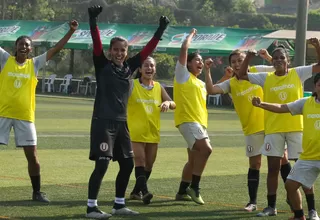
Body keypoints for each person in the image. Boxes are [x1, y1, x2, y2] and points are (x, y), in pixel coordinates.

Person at [86, 5, 170, 219]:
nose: (119, 53)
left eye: (123, 50)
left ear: (126, 52)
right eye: (116, 49)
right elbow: (96, 43)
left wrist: (160, 30)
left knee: (127, 164)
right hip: (103, 122)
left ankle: (119, 204)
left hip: (122, 124)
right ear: (110, 51)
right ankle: (91, 207)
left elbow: (148, 50)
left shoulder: (129, 67)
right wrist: (93, 21)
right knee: (102, 164)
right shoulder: (102, 64)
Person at [238, 38, 320, 219]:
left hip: (295, 129)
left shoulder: (297, 73)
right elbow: (241, 75)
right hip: (273, 129)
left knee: (304, 169)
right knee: (273, 168)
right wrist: (248, 59)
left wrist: (317, 47)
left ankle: (312, 210)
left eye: (281, 58)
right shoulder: (265, 77)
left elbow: (319, 67)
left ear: (287, 60)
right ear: (272, 61)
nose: (278, 61)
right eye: (275, 58)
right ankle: (271, 206)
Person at [203, 48, 292, 212]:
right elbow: (211, 90)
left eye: (240, 60)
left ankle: (292, 196)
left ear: (248, 61)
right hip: (251, 129)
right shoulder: (231, 83)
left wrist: (268, 56)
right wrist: (207, 70)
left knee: (283, 160)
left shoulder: (258, 71)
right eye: (234, 62)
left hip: (271, 125)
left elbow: (279, 67)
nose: (238, 64)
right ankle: (252, 202)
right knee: (255, 164)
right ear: (230, 65)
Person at [0, 20, 79, 203]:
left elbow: (57, 48)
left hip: (25, 117)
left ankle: (37, 192)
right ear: (16, 46)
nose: (24, 47)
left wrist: (71, 31)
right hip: (2, 115)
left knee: (33, 156)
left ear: (31, 49)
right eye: (21, 44)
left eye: (27, 45)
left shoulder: (34, 64)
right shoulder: (5, 60)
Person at [251, 72, 320, 220]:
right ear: (315, 87)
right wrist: (261, 104)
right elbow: (282, 107)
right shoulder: (305, 103)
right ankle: (299, 216)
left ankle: (313, 211)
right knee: (290, 185)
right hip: (309, 156)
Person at [173, 28, 215, 205]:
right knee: (206, 150)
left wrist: (207, 70)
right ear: (188, 64)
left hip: (199, 122)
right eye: (196, 60)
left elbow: (212, 89)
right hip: (188, 121)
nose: (199, 62)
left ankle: (182, 191)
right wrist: (191, 35)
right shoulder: (183, 76)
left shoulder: (200, 82)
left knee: (192, 160)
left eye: (200, 60)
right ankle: (195, 187)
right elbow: (184, 50)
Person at [127, 57, 176, 205]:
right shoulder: (132, 85)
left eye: (152, 66)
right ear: (140, 69)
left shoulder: (158, 87)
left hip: (153, 131)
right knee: (140, 160)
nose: (149, 68)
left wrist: (167, 102)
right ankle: (145, 192)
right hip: (135, 131)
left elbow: (173, 104)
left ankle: (136, 191)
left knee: (149, 164)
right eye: (146, 66)